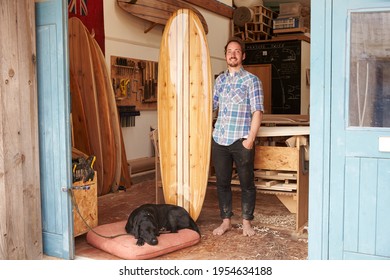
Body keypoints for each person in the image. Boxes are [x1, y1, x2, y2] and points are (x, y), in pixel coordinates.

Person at [212, 37, 264, 237]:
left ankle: (246, 223)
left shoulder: (252, 80)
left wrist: (250, 139)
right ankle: (226, 221)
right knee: (222, 183)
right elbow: (212, 107)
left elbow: (257, 111)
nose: (232, 54)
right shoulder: (220, 80)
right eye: (229, 51)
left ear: (242, 55)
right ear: (225, 56)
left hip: (241, 139)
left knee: (246, 184)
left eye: (236, 51)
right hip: (220, 139)